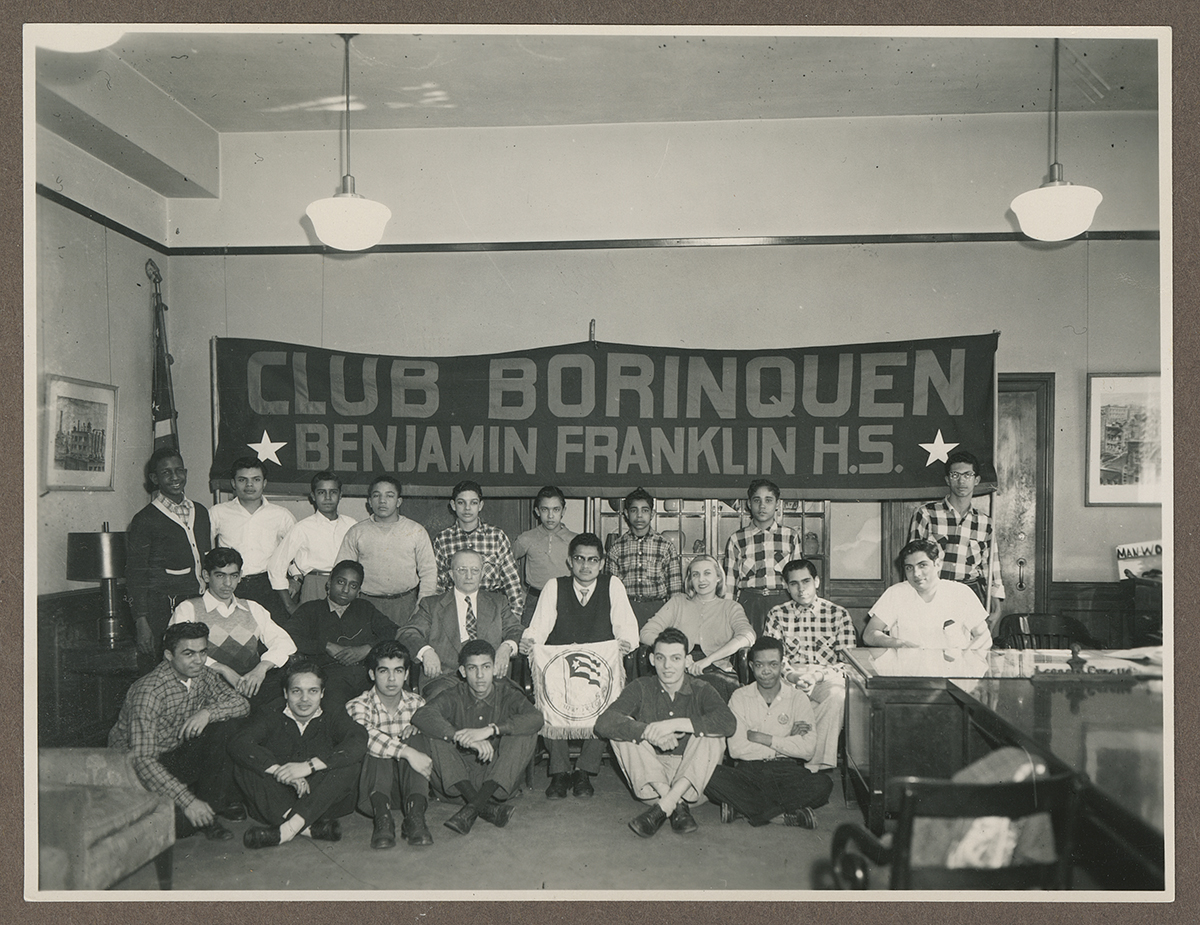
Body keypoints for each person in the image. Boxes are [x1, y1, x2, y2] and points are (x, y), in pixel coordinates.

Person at [520, 532, 638, 799]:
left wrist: (624, 644)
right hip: (562, 670)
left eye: (593, 560)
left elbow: (628, 629)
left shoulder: (613, 585)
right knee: (548, 697)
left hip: (599, 670)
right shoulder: (554, 586)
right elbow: (538, 627)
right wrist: (529, 642)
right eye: (580, 559)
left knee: (609, 701)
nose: (586, 566)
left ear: (602, 562)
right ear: (569, 562)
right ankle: (560, 772)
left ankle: (585, 770)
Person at [108, 622, 250, 841]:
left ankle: (209, 810)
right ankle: (194, 804)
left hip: (176, 754)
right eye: (188, 653)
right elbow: (142, 760)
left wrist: (207, 714)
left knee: (227, 727)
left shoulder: (203, 675)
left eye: (203, 652)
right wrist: (187, 801)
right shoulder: (149, 691)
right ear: (168, 655)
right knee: (181, 828)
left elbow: (241, 704)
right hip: (136, 770)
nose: (198, 660)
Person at [594, 627, 736, 838]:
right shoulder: (640, 686)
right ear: (652, 659)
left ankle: (663, 808)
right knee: (623, 731)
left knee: (712, 736)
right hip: (651, 783)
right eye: (661, 658)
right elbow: (604, 723)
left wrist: (674, 724)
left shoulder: (702, 688)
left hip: (693, 786)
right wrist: (647, 731)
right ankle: (674, 804)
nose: (667, 666)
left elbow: (728, 723)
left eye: (676, 658)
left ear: (687, 660)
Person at [410, 639, 543, 836]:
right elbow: (422, 715)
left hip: (498, 782)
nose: (480, 675)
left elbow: (536, 718)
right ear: (463, 672)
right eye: (473, 668)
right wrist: (457, 736)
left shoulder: (507, 694)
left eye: (486, 667)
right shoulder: (453, 694)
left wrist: (492, 730)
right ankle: (482, 805)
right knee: (434, 734)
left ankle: (474, 807)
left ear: (495, 668)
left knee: (524, 732)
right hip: (456, 785)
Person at [232, 661, 369, 849]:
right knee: (246, 763)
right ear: (285, 693)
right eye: (297, 691)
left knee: (349, 763)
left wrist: (309, 766)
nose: (304, 699)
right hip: (278, 796)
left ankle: (287, 830)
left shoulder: (333, 711)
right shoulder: (270, 711)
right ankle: (306, 827)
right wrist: (280, 771)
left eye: (312, 691)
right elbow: (240, 743)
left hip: (320, 797)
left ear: (322, 693)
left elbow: (359, 739)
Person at [704, 636, 834, 829]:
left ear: (782, 665)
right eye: (759, 665)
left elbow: (807, 750)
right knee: (707, 775)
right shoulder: (739, 697)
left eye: (773, 664)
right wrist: (787, 741)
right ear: (751, 665)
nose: (766, 671)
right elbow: (737, 749)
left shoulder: (798, 698)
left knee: (824, 784)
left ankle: (743, 808)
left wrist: (763, 738)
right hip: (749, 772)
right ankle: (781, 815)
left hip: (788, 772)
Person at [168, 547, 297, 706]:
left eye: (233, 576)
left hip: (250, 690)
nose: (228, 583)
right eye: (220, 575)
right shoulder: (188, 609)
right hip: (204, 695)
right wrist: (222, 669)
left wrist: (261, 668)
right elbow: (178, 652)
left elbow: (285, 643)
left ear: (240, 576)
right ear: (206, 576)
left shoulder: (252, 607)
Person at [761, 558, 854, 771]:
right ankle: (805, 765)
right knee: (795, 702)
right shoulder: (777, 614)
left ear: (817, 582)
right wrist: (793, 676)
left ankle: (812, 766)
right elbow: (772, 657)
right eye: (794, 583)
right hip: (790, 678)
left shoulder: (838, 615)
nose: (801, 589)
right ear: (786, 586)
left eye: (806, 581)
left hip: (826, 678)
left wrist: (817, 677)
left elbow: (847, 662)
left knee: (837, 696)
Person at [125, 448, 212, 667]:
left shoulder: (200, 512)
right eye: (166, 473)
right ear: (154, 478)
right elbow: (136, 573)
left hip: (199, 603)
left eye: (179, 470)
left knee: (200, 665)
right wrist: (141, 622)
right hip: (163, 608)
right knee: (169, 668)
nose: (174, 477)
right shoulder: (145, 519)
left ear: (186, 472)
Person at [399, 549, 522, 699]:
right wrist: (426, 652)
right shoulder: (432, 605)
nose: (469, 576)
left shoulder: (498, 602)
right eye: (462, 570)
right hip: (446, 678)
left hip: (491, 677)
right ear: (451, 574)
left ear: (482, 574)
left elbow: (516, 629)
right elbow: (408, 633)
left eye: (475, 570)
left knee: (516, 703)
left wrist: (507, 646)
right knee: (441, 704)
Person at [345, 641, 434, 848]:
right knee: (373, 741)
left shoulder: (418, 703)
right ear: (372, 674)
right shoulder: (358, 705)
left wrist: (419, 732)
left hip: (412, 789)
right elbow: (365, 735)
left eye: (398, 671)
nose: (392, 679)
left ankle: (415, 818)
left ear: (406, 673)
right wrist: (407, 752)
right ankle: (383, 821)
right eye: (384, 671)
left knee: (417, 734)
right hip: (374, 790)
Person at [280, 559, 400, 707]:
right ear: (329, 583)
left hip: (367, 676)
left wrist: (368, 649)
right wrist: (325, 646)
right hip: (330, 678)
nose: (345, 590)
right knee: (337, 712)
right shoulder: (311, 609)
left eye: (353, 586)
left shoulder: (365, 608)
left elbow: (392, 630)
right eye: (341, 582)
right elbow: (285, 636)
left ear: (358, 591)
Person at [908, 449, 1006, 627]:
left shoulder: (985, 522)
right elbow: (912, 560)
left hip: (970, 592)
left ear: (976, 480)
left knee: (970, 647)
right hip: (933, 592)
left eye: (967, 475)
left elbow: (991, 566)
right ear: (947, 479)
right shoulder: (926, 513)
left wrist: (996, 603)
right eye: (955, 475)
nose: (962, 481)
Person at [639, 554, 756, 702]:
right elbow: (646, 633)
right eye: (695, 574)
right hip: (677, 669)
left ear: (718, 577)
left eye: (707, 573)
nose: (701, 580)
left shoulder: (730, 607)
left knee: (708, 690)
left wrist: (708, 660)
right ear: (690, 580)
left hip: (717, 670)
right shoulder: (678, 602)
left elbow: (748, 635)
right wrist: (676, 653)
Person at [336, 475, 438, 626]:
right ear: (370, 502)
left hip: (406, 604)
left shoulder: (416, 530)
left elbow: (429, 572)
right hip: (367, 603)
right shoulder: (357, 532)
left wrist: (421, 605)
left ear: (398, 501)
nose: (382, 501)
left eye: (389, 496)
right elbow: (343, 570)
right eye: (376, 495)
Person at [864, 538, 993, 650]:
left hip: (951, 672)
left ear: (937, 564)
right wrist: (898, 644)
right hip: (908, 672)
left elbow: (984, 637)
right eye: (909, 567)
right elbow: (869, 634)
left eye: (922, 565)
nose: (916, 574)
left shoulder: (960, 592)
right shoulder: (896, 593)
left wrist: (965, 657)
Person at [209, 456, 296, 622]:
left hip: (268, 586)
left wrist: (295, 579)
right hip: (231, 585)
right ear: (233, 483)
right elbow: (202, 548)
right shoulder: (218, 512)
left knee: (270, 638)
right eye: (242, 480)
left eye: (256, 479)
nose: (249, 485)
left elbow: (298, 550)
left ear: (264, 483)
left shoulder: (281, 515)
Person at [432, 480, 526, 624]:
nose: (467, 508)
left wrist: (515, 615)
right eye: (461, 502)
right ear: (453, 505)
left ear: (480, 505)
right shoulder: (443, 539)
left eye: (473, 502)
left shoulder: (496, 537)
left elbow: (511, 580)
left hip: (492, 608)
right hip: (454, 610)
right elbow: (438, 584)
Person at [267, 470, 358, 615]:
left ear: (340, 495)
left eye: (333, 492)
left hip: (345, 587)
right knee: (315, 633)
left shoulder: (352, 525)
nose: (328, 497)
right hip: (314, 586)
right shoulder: (302, 528)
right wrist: (290, 606)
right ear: (313, 496)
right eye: (322, 492)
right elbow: (275, 566)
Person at [722, 479, 804, 636]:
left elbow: (798, 579)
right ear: (748, 504)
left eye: (768, 500)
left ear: (777, 504)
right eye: (756, 500)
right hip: (749, 603)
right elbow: (730, 583)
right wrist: (727, 616)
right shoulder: (737, 539)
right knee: (749, 650)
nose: (762, 506)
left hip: (782, 601)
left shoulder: (790, 536)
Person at [604, 487, 684, 628]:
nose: (639, 515)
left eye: (645, 510)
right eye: (634, 510)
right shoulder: (617, 547)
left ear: (652, 514)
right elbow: (611, 589)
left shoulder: (666, 546)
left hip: (658, 610)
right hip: (626, 609)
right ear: (626, 514)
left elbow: (675, 591)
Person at [511, 485, 577, 624]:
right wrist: (519, 593)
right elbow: (507, 564)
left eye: (556, 509)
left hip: (565, 598)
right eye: (545, 509)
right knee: (530, 640)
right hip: (535, 599)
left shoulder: (574, 541)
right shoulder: (526, 539)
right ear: (537, 511)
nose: (550, 515)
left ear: (563, 511)